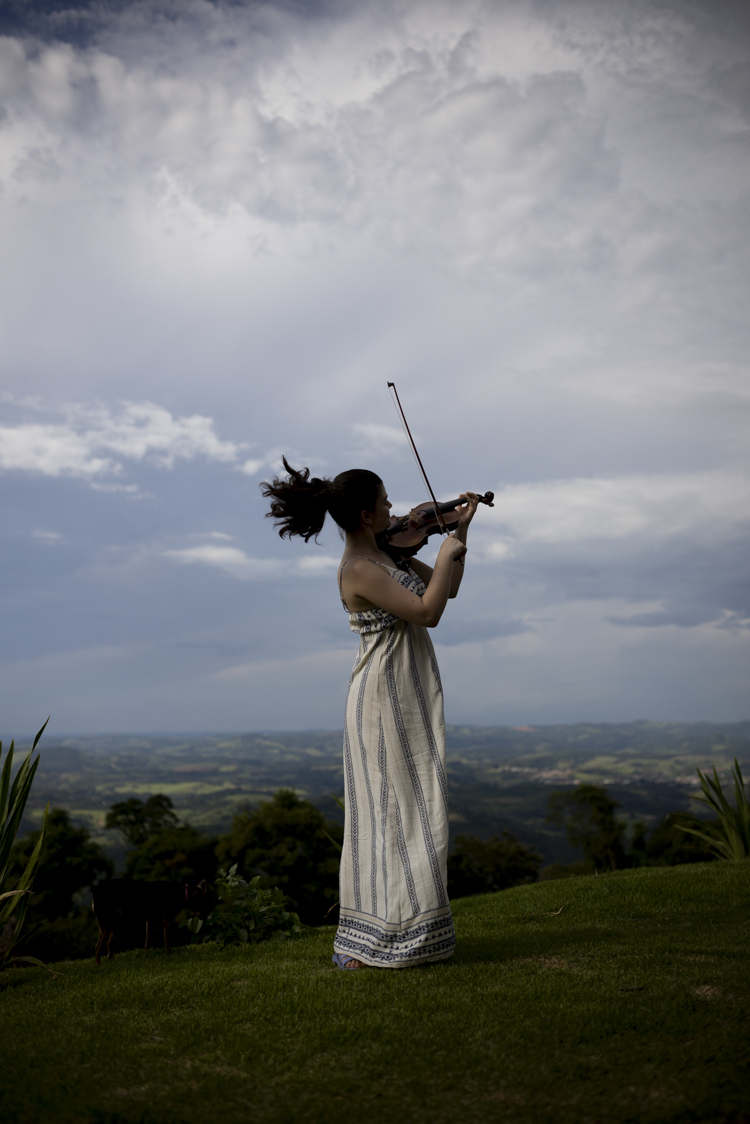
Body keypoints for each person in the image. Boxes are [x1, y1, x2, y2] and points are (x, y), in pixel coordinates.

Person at [261, 458, 480, 969]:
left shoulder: (386, 556)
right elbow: (428, 612)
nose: (393, 508)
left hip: (404, 688)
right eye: (383, 502)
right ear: (363, 515)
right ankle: (373, 942)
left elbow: (448, 588)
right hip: (383, 697)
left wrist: (460, 536)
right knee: (388, 812)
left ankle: (413, 932)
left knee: (415, 804)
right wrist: (446, 546)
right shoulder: (360, 569)